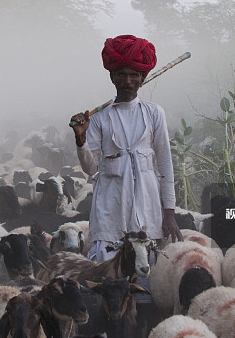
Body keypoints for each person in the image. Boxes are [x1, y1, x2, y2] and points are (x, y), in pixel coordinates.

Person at [69, 34, 182, 264]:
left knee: (146, 265)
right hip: (110, 202)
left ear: (142, 78)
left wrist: (168, 211)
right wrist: (81, 139)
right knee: (108, 267)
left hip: (147, 200)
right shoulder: (99, 117)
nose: (128, 81)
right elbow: (91, 169)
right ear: (112, 77)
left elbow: (165, 164)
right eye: (122, 74)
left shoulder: (154, 113)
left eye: (134, 75)